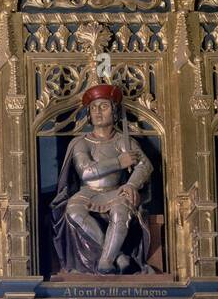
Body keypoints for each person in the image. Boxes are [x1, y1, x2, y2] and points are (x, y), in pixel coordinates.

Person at [51, 84, 154, 274]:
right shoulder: (81, 143)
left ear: (114, 111)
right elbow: (86, 172)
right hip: (88, 192)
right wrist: (118, 162)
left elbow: (145, 165)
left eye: (104, 107)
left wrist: (131, 184)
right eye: (93, 108)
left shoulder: (124, 141)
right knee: (73, 212)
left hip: (116, 190)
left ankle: (106, 261)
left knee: (121, 210)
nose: (98, 112)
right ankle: (119, 253)